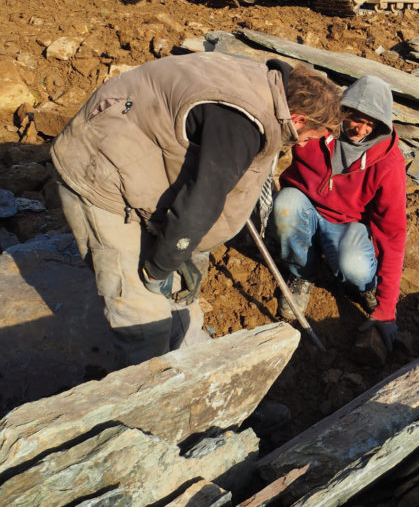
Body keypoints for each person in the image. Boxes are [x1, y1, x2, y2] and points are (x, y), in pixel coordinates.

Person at [51, 53, 341, 366]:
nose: (304, 144)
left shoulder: (265, 86)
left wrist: (176, 253)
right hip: (99, 174)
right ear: (297, 119)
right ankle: (150, 406)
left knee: (180, 302)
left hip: (137, 156)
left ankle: (206, 390)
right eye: (310, 136)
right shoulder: (242, 123)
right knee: (144, 318)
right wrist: (161, 264)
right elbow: (200, 203)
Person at [271, 75, 407, 354]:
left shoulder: (388, 163)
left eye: (370, 124)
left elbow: (392, 235)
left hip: (348, 223)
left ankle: (365, 285)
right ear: (342, 110)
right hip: (304, 206)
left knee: (355, 268)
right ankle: (302, 273)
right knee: (285, 205)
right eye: (355, 118)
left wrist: (387, 307)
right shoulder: (317, 128)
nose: (360, 130)